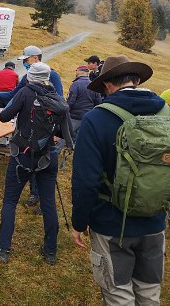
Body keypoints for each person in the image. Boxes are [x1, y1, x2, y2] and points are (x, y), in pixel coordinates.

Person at [71, 55, 166, 304]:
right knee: (149, 292)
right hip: (155, 221)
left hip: (111, 224)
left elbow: (86, 181)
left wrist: (79, 222)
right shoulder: (166, 114)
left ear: (108, 85)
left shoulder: (96, 118)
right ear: (136, 80)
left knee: (118, 293)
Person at [0, 62, 73, 265]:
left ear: (30, 76)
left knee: (10, 201)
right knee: (49, 203)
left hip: (21, 157)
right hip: (47, 158)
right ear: (47, 78)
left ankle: (3, 249)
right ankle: (50, 252)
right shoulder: (55, 97)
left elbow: (6, 115)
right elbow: (61, 132)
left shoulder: (25, 92)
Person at [0, 46, 64, 211]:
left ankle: (42, 199)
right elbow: (12, 96)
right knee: (30, 160)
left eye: (26, 60)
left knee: (43, 163)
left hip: (45, 131)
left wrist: (57, 132)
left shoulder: (52, 75)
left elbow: (60, 103)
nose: (24, 63)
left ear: (34, 58)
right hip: (27, 131)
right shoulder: (27, 78)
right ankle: (34, 193)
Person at [66, 65, 102, 137]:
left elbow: (70, 102)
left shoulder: (75, 84)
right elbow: (98, 102)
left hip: (75, 117)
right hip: (88, 118)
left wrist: (66, 113)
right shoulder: (93, 85)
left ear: (79, 72)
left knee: (68, 138)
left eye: (76, 71)